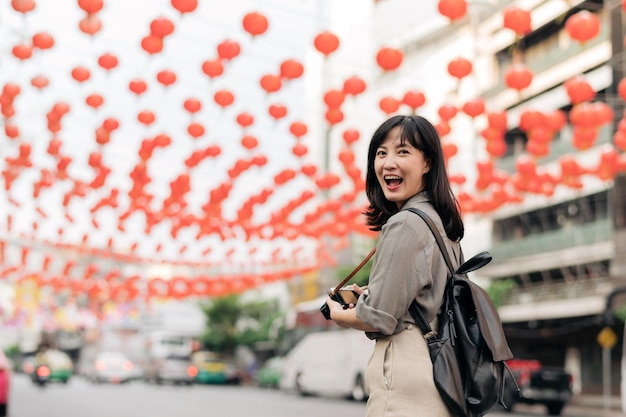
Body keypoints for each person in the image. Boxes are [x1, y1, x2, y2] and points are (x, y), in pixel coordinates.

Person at [325, 114, 464, 417]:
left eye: (403, 152)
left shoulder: (405, 224)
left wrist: (340, 315)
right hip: (443, 371)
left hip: (406, 372)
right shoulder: (444, 226)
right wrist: (373, 299)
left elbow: (379, 319)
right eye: (381, 153)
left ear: (428, 162)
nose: (388, 163)